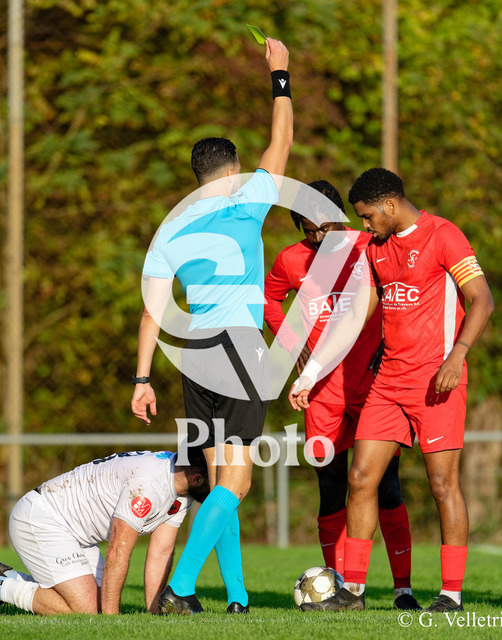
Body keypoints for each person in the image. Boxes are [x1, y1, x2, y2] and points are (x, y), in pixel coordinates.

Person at [131, 38, 293, 614]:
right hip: (241, 348)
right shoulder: (245, 204)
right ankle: (179, 589)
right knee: (237, 482)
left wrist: (141, 380)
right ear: (232, 170)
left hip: (193, 353)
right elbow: (282, 142)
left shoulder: (170, 228)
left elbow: (151, 312)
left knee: (219, 477)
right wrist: (280, 74)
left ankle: (238, 598)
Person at [290, 168, 494, 612]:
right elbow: (353, 317)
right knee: (360, 479)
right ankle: (353, 592)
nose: (364, 225)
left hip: (436, 382)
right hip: (387, 385)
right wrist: (311, 373)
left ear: (389, 204)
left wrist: (457, 355)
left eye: (367, 216)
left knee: (442, 484)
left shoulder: (443, 235)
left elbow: (483, 299)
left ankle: (451, 594)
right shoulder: (376, 249)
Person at [264, 180, 420, 610]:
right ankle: (340, 589)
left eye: (326, 226)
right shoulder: (290, 260)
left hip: (374, 386)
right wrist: (292, 342)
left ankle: (403, 590)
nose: (319, 236)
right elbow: (268, 300)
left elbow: (401, 295)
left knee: (386, 485)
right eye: (309, 229)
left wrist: (390, 343)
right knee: (330, 485)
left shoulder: (368, 246)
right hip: (322, 394)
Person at [0, 449, 208, 615]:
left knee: (98, 602)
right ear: (197, 479)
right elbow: (117, 550)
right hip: (42, 518)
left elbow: (161, 551)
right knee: (85, 610)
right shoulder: (148, 487)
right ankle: (3, 587)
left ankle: (7, 576)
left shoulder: (179, 486)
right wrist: (111, 620)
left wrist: (154, 610)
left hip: (76, 534)